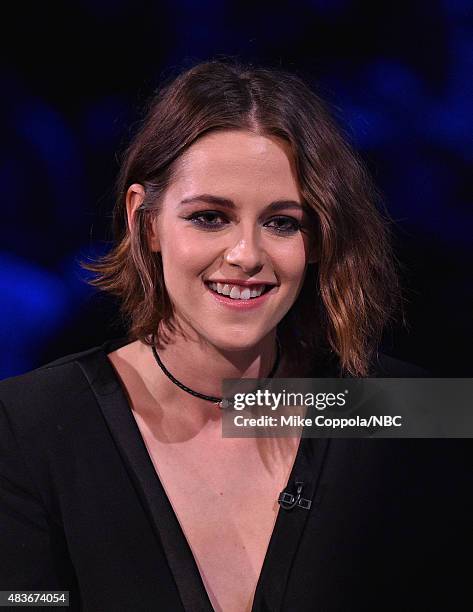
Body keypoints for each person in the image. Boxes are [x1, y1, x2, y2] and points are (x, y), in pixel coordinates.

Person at [0, 61, 469, 612]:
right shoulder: (31, 422)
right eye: (209, 217)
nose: (246, 255)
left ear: (317, 240)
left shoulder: (399, 411)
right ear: (145, 221)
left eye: (283, 222)